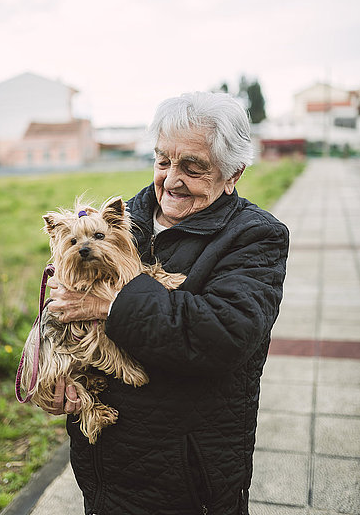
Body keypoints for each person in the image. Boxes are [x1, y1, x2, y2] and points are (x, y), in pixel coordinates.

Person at [45, 91, 289, 515]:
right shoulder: (119, 219)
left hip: (187, 477)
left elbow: (223, 335)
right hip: (103, 468)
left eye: (193, 167)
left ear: (233, 174)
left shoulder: (255, 236)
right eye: (162, 161)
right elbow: (63, 300)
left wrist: (112, 304)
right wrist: (54, 375)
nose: (172, 179)